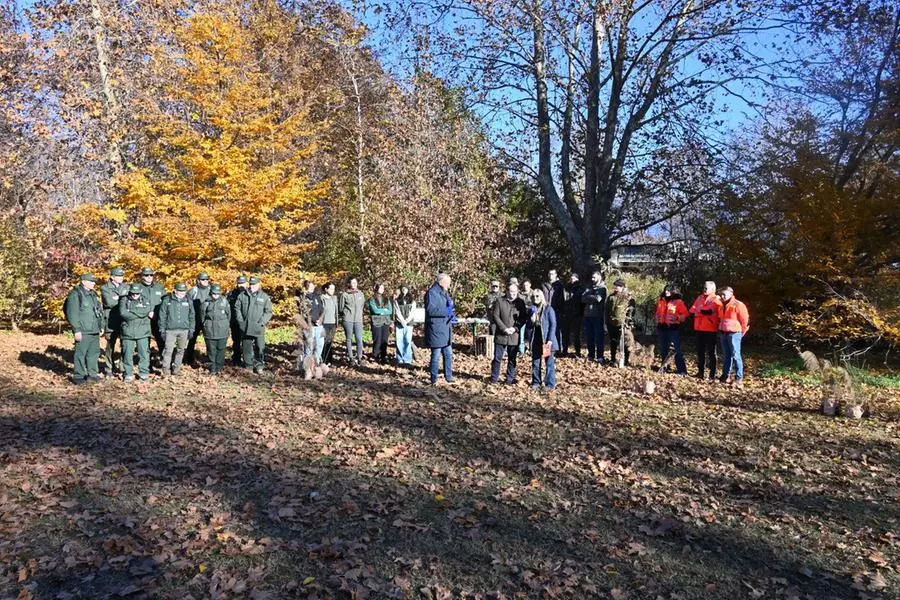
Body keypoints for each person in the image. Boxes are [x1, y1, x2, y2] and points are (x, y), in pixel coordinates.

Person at [64, 273, 104, 385]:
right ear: (83, 281)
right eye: (91, 281)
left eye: (94, 281)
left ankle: (92, 374)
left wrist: (101, 326)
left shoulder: (94, 295)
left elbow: (99, 312)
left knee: (94, 353)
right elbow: (72, 314)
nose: (93, 283)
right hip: (83, 330)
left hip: (94, 329)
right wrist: (76, 330)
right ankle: (79, 375)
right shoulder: (75, 294)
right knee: (80, 353)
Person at [236, 276, 273, 374]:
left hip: (258, 327)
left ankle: (259, 365)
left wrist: (262, 322)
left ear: (259, 285)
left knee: (260, 347)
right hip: (246, 326)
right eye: (251, 284)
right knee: (247, 347)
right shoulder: (242, 295)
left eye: (254, 284)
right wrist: (240, 321)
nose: (252, 286)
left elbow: (268, 312)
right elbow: (237, 308)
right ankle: (248, 365)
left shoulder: (264, 297)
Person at [491, 282, 527, 384]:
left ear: (518, 292)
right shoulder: (499, 301)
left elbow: (523, 318)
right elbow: (495, 316)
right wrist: (504, 328)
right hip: (501, 334)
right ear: (507, 291)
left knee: (512, 358)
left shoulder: (520, 302)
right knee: (497, 358)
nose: (512, 294)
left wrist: (515, 328)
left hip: (514, 335)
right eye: (511, 291)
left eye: (515, 292)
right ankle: (494, 378)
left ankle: (510, 379)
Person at [424, 273, 455, 385]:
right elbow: (431, 310)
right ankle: (433, 378)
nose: (449, 285)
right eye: (448, 283)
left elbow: (449, 307)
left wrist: (451, 310)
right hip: (436, 328)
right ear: (442, 282)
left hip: (446, 328)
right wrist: (447, 312)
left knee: (448, 354)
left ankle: (449, 376)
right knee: (436, 355)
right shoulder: (432, 293)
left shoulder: (444, 293)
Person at [159, 282, 195, 376]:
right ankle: (166, 370)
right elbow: (162, 316)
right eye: (180, 291)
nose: (182, 293)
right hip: (170, 330)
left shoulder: (188, 300)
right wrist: (162, 330)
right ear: (175, 291)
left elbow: (192, 316)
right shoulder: (167, 300)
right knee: (168, 350)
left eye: (184, 291)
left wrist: (191, 329)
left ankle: (176, 369)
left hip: (184, 330)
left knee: (180, 350)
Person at [119, 283, 153, 381]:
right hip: (127, 332)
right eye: (133, 293)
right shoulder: (124, 300)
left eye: (137, 293)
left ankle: (143, 373)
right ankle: (128, 373)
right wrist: (140, 314)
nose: (135, 295)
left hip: (143, 332)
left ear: (140, 292)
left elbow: (146, 310)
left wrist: (132, 312)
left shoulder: (145, 299)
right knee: (127, 354)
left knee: (143, 354)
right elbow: (123, 313)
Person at [526, 289, 558, 390]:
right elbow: (528, 326)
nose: (535, 298)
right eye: (533, 296)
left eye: (537, 296)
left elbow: (553, 325)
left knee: (549, 362)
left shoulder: (548, 309)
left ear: (541, 297)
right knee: (536, 362)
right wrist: (531, 321)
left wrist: (550, 339)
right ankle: (536, 382)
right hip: (536, 340)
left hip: (546, 340)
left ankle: (550, 384)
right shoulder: (532, 310)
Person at [690, 281, 723, 380]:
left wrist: (702, 311)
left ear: (713, 289)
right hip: (699, 328)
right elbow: (692, 310)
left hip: (710, 329)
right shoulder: (699, 298)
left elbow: (719, 312)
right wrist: (702, 311)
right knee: (700, 352)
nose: (704, 289)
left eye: (706, 288)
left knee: (712, 352)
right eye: (703, 287)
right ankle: (700, 373)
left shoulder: (716, 299)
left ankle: (712, 374)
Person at [718, 286, 750, 388]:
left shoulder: (738, 305)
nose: (722, 296)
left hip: (734, 334)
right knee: (727, 356)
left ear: (731, 294)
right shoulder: (721, 305)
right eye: (721, 294)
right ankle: (725, 376)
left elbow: (745, 321)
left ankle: (739, 378)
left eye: (724, 294)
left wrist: (741, 333)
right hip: (723, 333)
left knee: (736, 356)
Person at [100, 267, 129, 376]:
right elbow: (109, 302)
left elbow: (129, 301)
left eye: (122, 276)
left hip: (123, 320)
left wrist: (118, 298)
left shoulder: (126, 286)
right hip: (111, 320)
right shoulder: (105, 288)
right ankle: (108, 368)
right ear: (112, 277)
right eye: (118, 276)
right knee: (110, 346)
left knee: (125, 344)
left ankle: (122, 367)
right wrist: (123, 299)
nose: (121, 278)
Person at [655, 285, 689, 375]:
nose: (666, 292)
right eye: (665, 290)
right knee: (663, 349)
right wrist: (657, 317)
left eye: (669, 291)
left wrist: (677, 317)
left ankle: (682, 370)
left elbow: (685, 314)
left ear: (674, 292)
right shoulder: (661, 301)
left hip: (673, 328)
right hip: (661, 327)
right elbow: (658, 312)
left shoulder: (678, 302)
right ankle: (664, 367)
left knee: (676, 349)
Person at [202, 284, 231, 375]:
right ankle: (213, 368)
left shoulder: (224, 301)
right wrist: (206, 325)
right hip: (210, 330)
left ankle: (219, 367)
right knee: (211, 350)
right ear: (211, 293)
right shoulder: (206, 302)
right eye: (214, 293)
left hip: (222, 329)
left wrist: (225, 325)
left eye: (217, 294)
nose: (216, 295)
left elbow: (228, 315)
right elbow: (202, 316)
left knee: (221, 349)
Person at [606, 278, 636, 367]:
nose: (616, 287)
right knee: (613, 342)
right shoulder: (611, 297)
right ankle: (612, 359)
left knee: (625, 344)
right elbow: (607, 311)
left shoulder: (628, 298)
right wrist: (607, 322)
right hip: (611, 323)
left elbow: (631, 312)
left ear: (623, 287)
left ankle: (625, 361)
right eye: (615, 285)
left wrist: (627, 323)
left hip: (623, 324)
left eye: (619, 286)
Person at [137, 267, 166, 356]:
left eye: (151, 275)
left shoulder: (160, 287)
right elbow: (135, 304)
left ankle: (165, 364)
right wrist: (147, 312)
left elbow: (164, 303)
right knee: (145, 343)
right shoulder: (137, 288)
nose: (149, 277)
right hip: (143, 319)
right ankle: (146, 365)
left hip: (157, 319)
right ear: (142, 276)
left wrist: (156, 314)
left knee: (162, 341)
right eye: (146, 275)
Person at [185, 272, 211, 366]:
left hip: (208, 320)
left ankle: (209, 360)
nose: (205, 281)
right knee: (192, 340)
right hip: (195, 319)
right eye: (203, 279)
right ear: (198, 280)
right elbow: (186, 306)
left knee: (209, 340)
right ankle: (189, 359)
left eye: (207, 279)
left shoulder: (211, 290)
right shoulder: (193, 291)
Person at [581, 271, 607, 363]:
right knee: (589, 337)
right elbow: (582, 298)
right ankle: (591, 355)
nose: (592, 279)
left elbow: (598, 299)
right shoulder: (589, 287)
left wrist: (588, 296)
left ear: (599, 277)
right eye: (592, 277)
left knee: (599, 337)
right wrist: (590, 296)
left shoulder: (603, 288)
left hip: (598, 316)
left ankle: (600, 356)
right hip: (588, 316)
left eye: (594, 277)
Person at [339, 277, 366, 365]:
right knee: (349, 339)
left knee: (359, 338)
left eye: (355, 283)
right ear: (349, 284)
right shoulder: (345, 295)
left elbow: (362, 306)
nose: (354, 284)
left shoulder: (361, 294)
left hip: (358, 320)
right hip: (348, 320)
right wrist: (346, 315)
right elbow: (341, 308)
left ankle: (360, 357)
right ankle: (351, 357)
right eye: (352, 283)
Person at [541, 269, 565, 351]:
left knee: (556, 330)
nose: (550, 275)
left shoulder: (559, 286)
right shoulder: (543, 285)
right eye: (549, 274)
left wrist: (561, 311)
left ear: (556, 275)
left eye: (552, 274)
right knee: (546, 329)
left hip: (555, 311)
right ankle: (547, 350)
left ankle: (557, 350)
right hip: (545, 310)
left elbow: (561, 299)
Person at [369, 283, 393, 363]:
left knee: (384, 339)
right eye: (380, 288)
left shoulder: (387, 299)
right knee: (377, 339)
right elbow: (375, 310)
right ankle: (376, 355)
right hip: (376, 322)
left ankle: (384, 355)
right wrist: (383, 311)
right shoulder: (372, 299)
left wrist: (382, 312)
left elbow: (390, 311)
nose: (382, 289)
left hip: (386, 322)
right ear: (377, 289)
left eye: (383, 288)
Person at [228, 275, 249, 366]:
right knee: (236, 341)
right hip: (234, 322)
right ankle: (236, 359)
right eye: (239, 283)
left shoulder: (250, 293)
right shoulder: (232, 294)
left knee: (247, 342)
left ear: (247, 283)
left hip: (247, 322)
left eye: (243, 283)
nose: (241, 285)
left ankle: (247, 360)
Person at [394, 284, 416, 367]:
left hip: (409, 324)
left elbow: (413, 312)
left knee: (407, 340)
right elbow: (397, 311)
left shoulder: (412, 300)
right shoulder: (397, 300)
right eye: (402, 289)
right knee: (399, 341)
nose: (404, 290)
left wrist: (407, 321)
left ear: (408, 289)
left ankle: (407, 359)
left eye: (405, 289)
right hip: (399, 323)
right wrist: (402, 321)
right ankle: (399, 358)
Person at [562, 273, 584, 357]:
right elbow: (563, 300)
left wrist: (580, 313)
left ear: (577, 279)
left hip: (577, 314)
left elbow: (582, 302)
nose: (572, 280)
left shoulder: (580, 288)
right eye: (571, 278)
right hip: (566, 313)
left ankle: (578, 352)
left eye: (574, 278)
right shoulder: (566, 288)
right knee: (565, 334)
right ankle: (564, 351)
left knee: (576, 335)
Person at [304, 280, 325, 364]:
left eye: (313, 286)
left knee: (320, 344)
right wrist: (313, 320)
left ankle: (316, 362)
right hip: (309, 325)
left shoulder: (317, 297)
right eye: (310, 286)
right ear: (306, 287)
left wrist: (320, 319)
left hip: (318, 325)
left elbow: (322, 309)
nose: (312, 288)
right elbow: (304, 312)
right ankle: (307, 366)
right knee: (309, 346)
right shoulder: (304, 298)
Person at [321, 282, 338, 365]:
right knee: (324, 341)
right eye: (331, 289)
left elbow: (336, 311)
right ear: (326, 289)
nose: (333, 291)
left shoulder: (334, 298)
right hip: (324, 323)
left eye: (334, 289)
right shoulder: (321, 298)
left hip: (333, 323)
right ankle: (323, 359)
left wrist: (337, 321)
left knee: (330, 342)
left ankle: (329, 360)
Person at [518, 279, 533, 354]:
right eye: (524, 285)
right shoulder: (520, 294)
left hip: (531, 317)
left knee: (531, 334)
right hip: (522, 316)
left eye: (527, 285)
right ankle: (521, 351)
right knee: (521, 334)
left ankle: (531, 350)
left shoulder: (534, 293)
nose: (525, 286)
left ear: (530, 285)